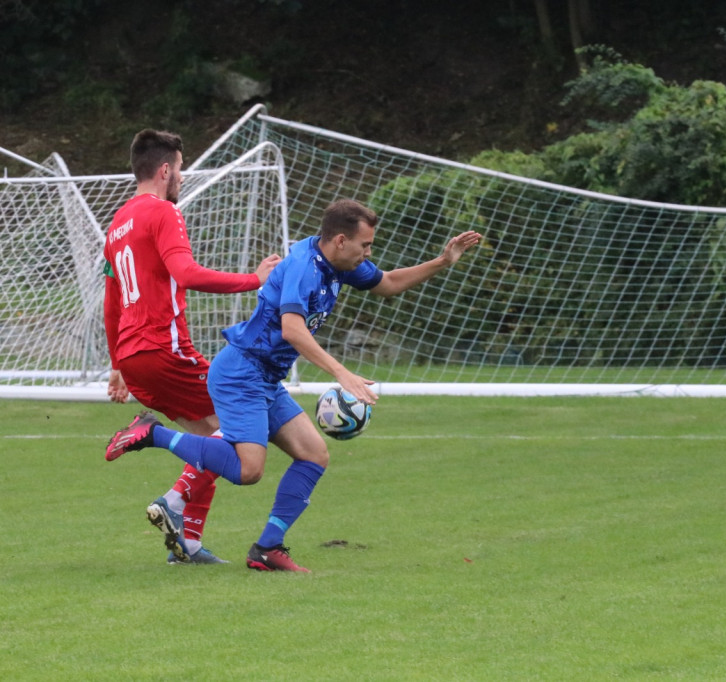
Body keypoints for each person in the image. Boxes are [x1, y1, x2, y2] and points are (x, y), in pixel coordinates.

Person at [106, 198, 482, 571]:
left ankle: (268, 548)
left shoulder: (339, 263)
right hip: (241, 373)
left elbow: (387, 283)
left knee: (314, 454)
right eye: (365, 245)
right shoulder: (304, 267)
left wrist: (442, 261)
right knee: (248, 470)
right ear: (339, 240)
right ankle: (151, 434)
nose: (369, 253)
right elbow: (292, 329)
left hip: (265, 378)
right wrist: (341, 373)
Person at [103, 129, 281, 565]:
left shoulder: (116, 225)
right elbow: (186, 273)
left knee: (210, 440)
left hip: (134, 355)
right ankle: (172, 497)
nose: (182, 175)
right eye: (181, 167)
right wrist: (253, 281)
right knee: (238, 435)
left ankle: (189, 545)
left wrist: (117, 365)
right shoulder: (162, 212)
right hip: (164, 349)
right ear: (165, 170)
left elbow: (112, 303)